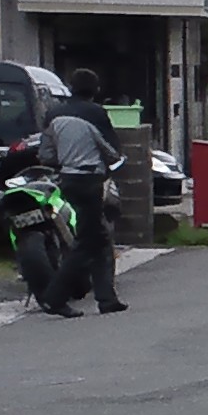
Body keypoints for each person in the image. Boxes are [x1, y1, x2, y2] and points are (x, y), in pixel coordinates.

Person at [38, 86, 125, 316]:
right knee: (87, 242)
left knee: (99, 239)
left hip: (67, 180)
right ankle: (54, 298)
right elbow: (113, 155)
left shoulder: (54, 119)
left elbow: (45, 155)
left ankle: (107, 298)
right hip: (90, 182)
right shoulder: (91, 121)